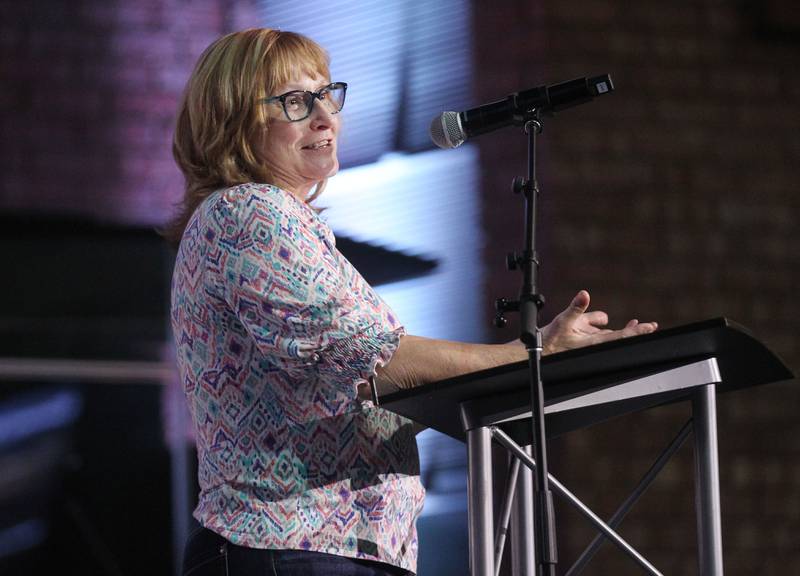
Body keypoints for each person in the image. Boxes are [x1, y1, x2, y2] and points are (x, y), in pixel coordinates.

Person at [167, 28, 657, 576]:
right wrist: (532, 354)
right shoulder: (250, 214)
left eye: (327, 94)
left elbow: (355, 402)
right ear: (233, 120)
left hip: (334, 549)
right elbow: (374, 357)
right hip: (292, 547)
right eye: (296, 102)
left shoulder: (283, 226)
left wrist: (534, 364)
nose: (326, 116)